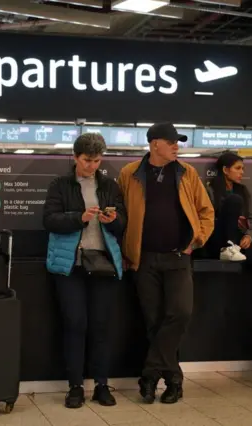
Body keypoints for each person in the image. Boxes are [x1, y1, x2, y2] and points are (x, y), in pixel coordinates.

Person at [117, 123, 214, 404]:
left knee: (180, 314)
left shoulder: (187, 173)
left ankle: (148, 375)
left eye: (177, 142)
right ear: (154, 143)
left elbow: (206, 212)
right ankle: (173, 381)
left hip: (178, 257)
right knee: (154, 322)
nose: (176, 146)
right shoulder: (130, 174)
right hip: (143, 259)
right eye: (171, 142)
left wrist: (195, 241)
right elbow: (122, 216)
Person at [43, 133, 127, 409]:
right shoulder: (60, 185)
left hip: (103, 263)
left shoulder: (109, 186)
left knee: (102, 327)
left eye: (97, 160)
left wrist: (113, 220)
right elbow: (50, 220)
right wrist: (79, 218)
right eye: (87, 160)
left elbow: (122, 224)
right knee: (75, 324)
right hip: (71, 266)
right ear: (76, 157)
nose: (92, 165)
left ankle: (101, 384)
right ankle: (75, 386)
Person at [207, 152, 252, 344]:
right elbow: (207, 218)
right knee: (233, 202)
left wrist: (249, 235)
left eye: (243, 168)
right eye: (238, 168)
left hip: (241, 240)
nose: (242, 172)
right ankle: (228, 248)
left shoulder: (244, 190)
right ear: (225, 170)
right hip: (217, 240)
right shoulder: (210, 189)